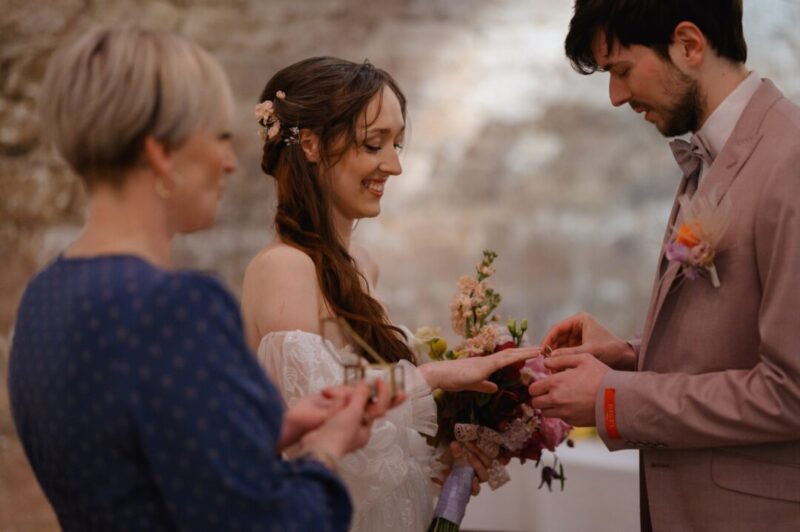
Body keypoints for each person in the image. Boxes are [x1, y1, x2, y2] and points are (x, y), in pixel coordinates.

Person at [8, 28, 399, 532]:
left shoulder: (44, 297)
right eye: (217, 137)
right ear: (160, 154)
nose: (230, 161)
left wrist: (276, 431)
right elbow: (271, 522)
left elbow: (141, 467)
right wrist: (326, 450)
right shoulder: (178, 307)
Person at [527, 1, 800, 531]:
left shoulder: (789, 164)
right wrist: (630, 357)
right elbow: (738, 342)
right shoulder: (716, 154)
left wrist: (615, 399)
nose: (616, 97)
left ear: (689, 45)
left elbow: (791, 391)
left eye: (622, 70)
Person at [240, 57, 538, 531]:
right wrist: (436, 374)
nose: (395, 166)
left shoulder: (363, 266)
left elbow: (381, 438)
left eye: (396, 144)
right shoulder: (283, 268)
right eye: (373, 143)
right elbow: (325, 423)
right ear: (312, 144)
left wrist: (443, 460)